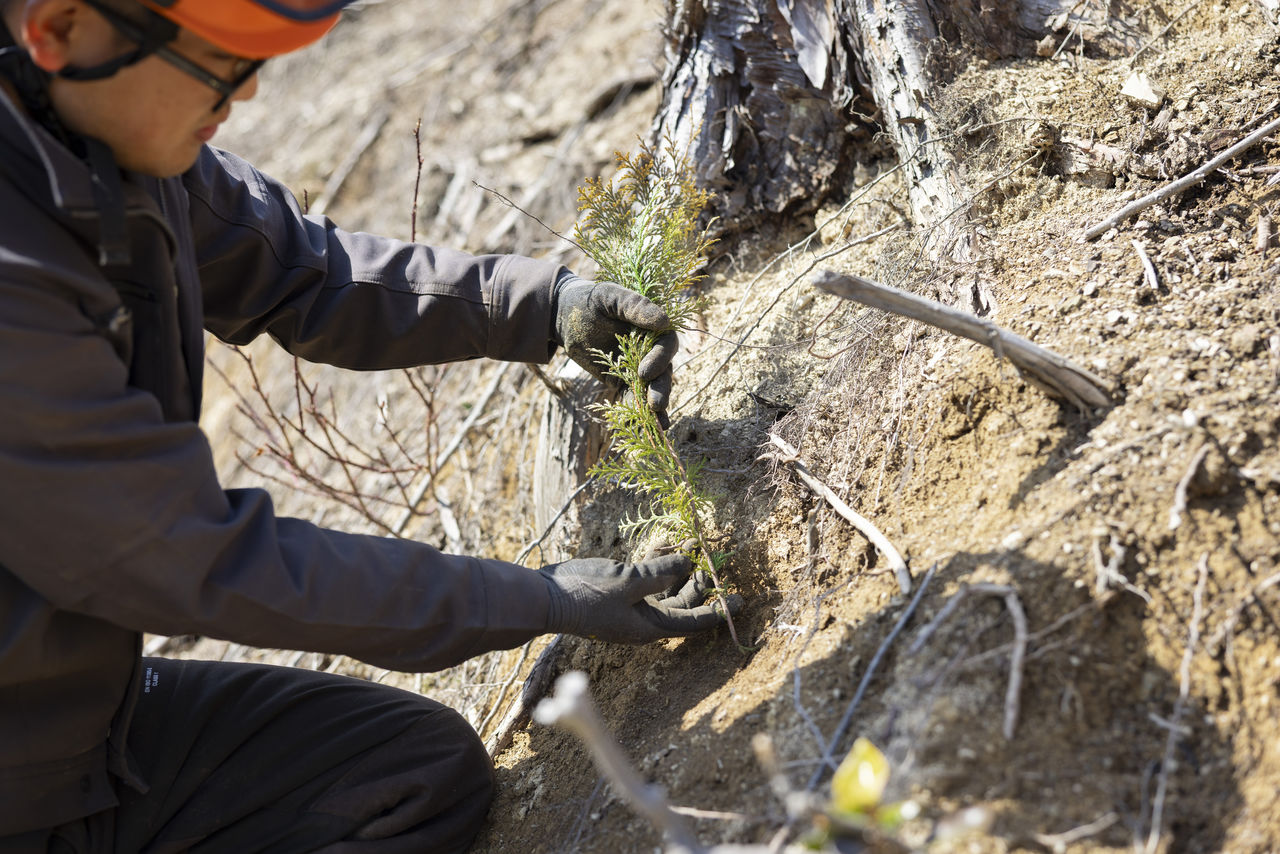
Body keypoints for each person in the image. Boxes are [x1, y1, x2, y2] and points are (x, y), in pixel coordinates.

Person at [0, 1, 740, 851]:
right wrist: (533, 597)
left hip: (74, 721)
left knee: (411, 773)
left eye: (256, 67)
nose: (239, 99)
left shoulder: (94, 129)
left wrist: (541, 305)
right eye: (221, 67)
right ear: (58, 31)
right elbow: (185, 556)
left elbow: (302, 271)